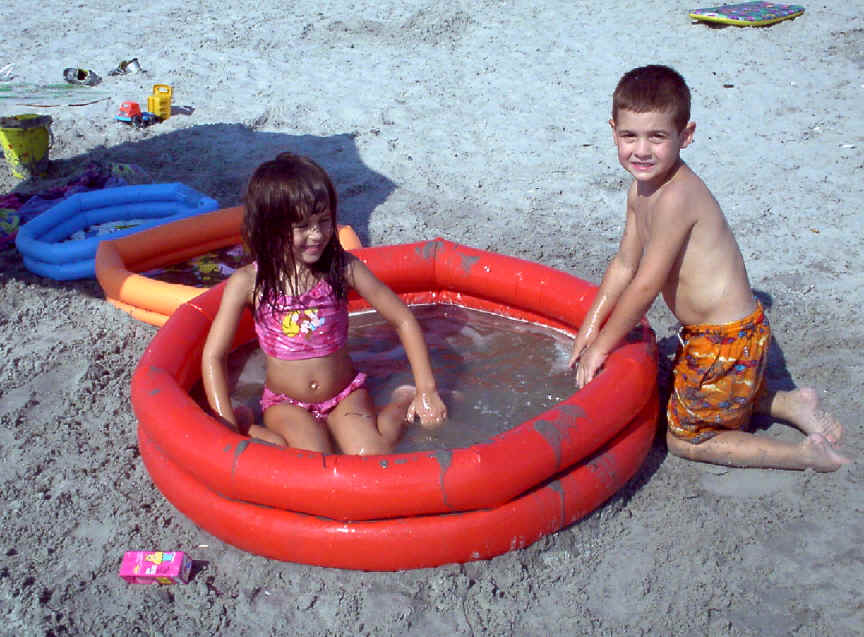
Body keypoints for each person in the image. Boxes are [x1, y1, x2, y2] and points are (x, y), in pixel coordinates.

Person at [568, 65, 848, 472]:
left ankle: (803, 455)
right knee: (694, 387)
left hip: (724, 343)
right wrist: (590, 328)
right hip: (721, 338)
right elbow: (624, 264)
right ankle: (790, 402)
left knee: (685, 436)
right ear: (614, 132)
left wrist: (602, 348)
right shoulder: (640, 189)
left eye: (657, 137)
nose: (641, 150)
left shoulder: (676, 197)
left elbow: (644, 286)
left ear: (686, 135)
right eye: (630, 136)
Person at [202, 153, 446, 454]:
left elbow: (403, 319)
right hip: (287, 404)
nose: (317, 234)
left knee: (372, 455)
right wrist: (224, 422)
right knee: (310, 460)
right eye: (303, 225)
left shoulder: (341, 268)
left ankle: (401, 400)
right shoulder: (250, 282)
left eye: (324, 221)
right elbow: (214, 355)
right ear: (270, 227)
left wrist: (426, 390)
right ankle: (245, 425)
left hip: (344, 394)